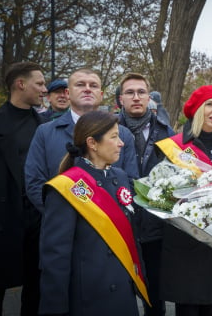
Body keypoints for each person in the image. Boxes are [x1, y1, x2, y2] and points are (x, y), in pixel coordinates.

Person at [39, 111, 149, 315]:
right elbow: (55, 258)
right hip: (90, 299)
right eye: (114, 137)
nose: (121, 143)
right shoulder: (65, 187)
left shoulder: (121, 176)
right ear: (92, 143)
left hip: (123, 294)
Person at [155, 85, 212, 316]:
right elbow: (161, 193)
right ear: (196, 110)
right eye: (210, 104)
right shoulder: (173, 146)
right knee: (188, 308)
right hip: (185, 243)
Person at [25, 68, 139, 214]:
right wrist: (59, 215)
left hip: (109, 226)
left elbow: (131, 182)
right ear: (67, 93)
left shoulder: (123, 135)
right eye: (80, 84)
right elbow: (35, 182)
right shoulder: (45, 133)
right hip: (60, 225)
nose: (87, 89)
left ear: (101, 95)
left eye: (93, 86)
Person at [118, 72, 174, 316]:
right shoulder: (108, 129)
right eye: (130, 93)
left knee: (154, 295)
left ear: (149, 98)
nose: (136, 97)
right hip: (121, 222)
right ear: (121, 99)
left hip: (155, 226)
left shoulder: (166, 131)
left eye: (141, 92)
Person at [0, 62, 46, 316]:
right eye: (39, 83)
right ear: (20, 84)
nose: (44, 89)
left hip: (37, 220)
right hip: (3, 220)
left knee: (35, 291)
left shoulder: (45, 126)